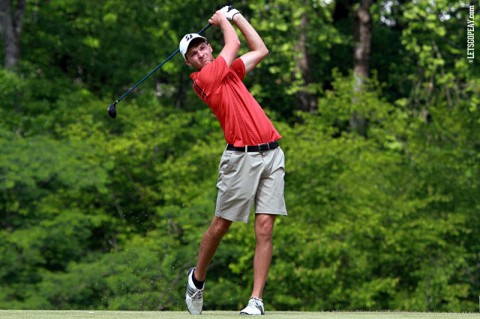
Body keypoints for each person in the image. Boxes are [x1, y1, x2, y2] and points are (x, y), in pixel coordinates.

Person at [179, 5, 287, 316]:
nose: (200, 53)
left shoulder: (228, 72)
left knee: (265, 227)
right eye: (193, 52)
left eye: (202, 46)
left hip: (272, 154)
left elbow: (260, 49)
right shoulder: (204, 79)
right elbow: (235, 44)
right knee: (221, 224)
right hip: (240, 159)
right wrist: (224, 20)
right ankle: (197, 280)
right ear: (189, 62)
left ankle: (256, 300)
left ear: (209, 47)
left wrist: (237, 16)